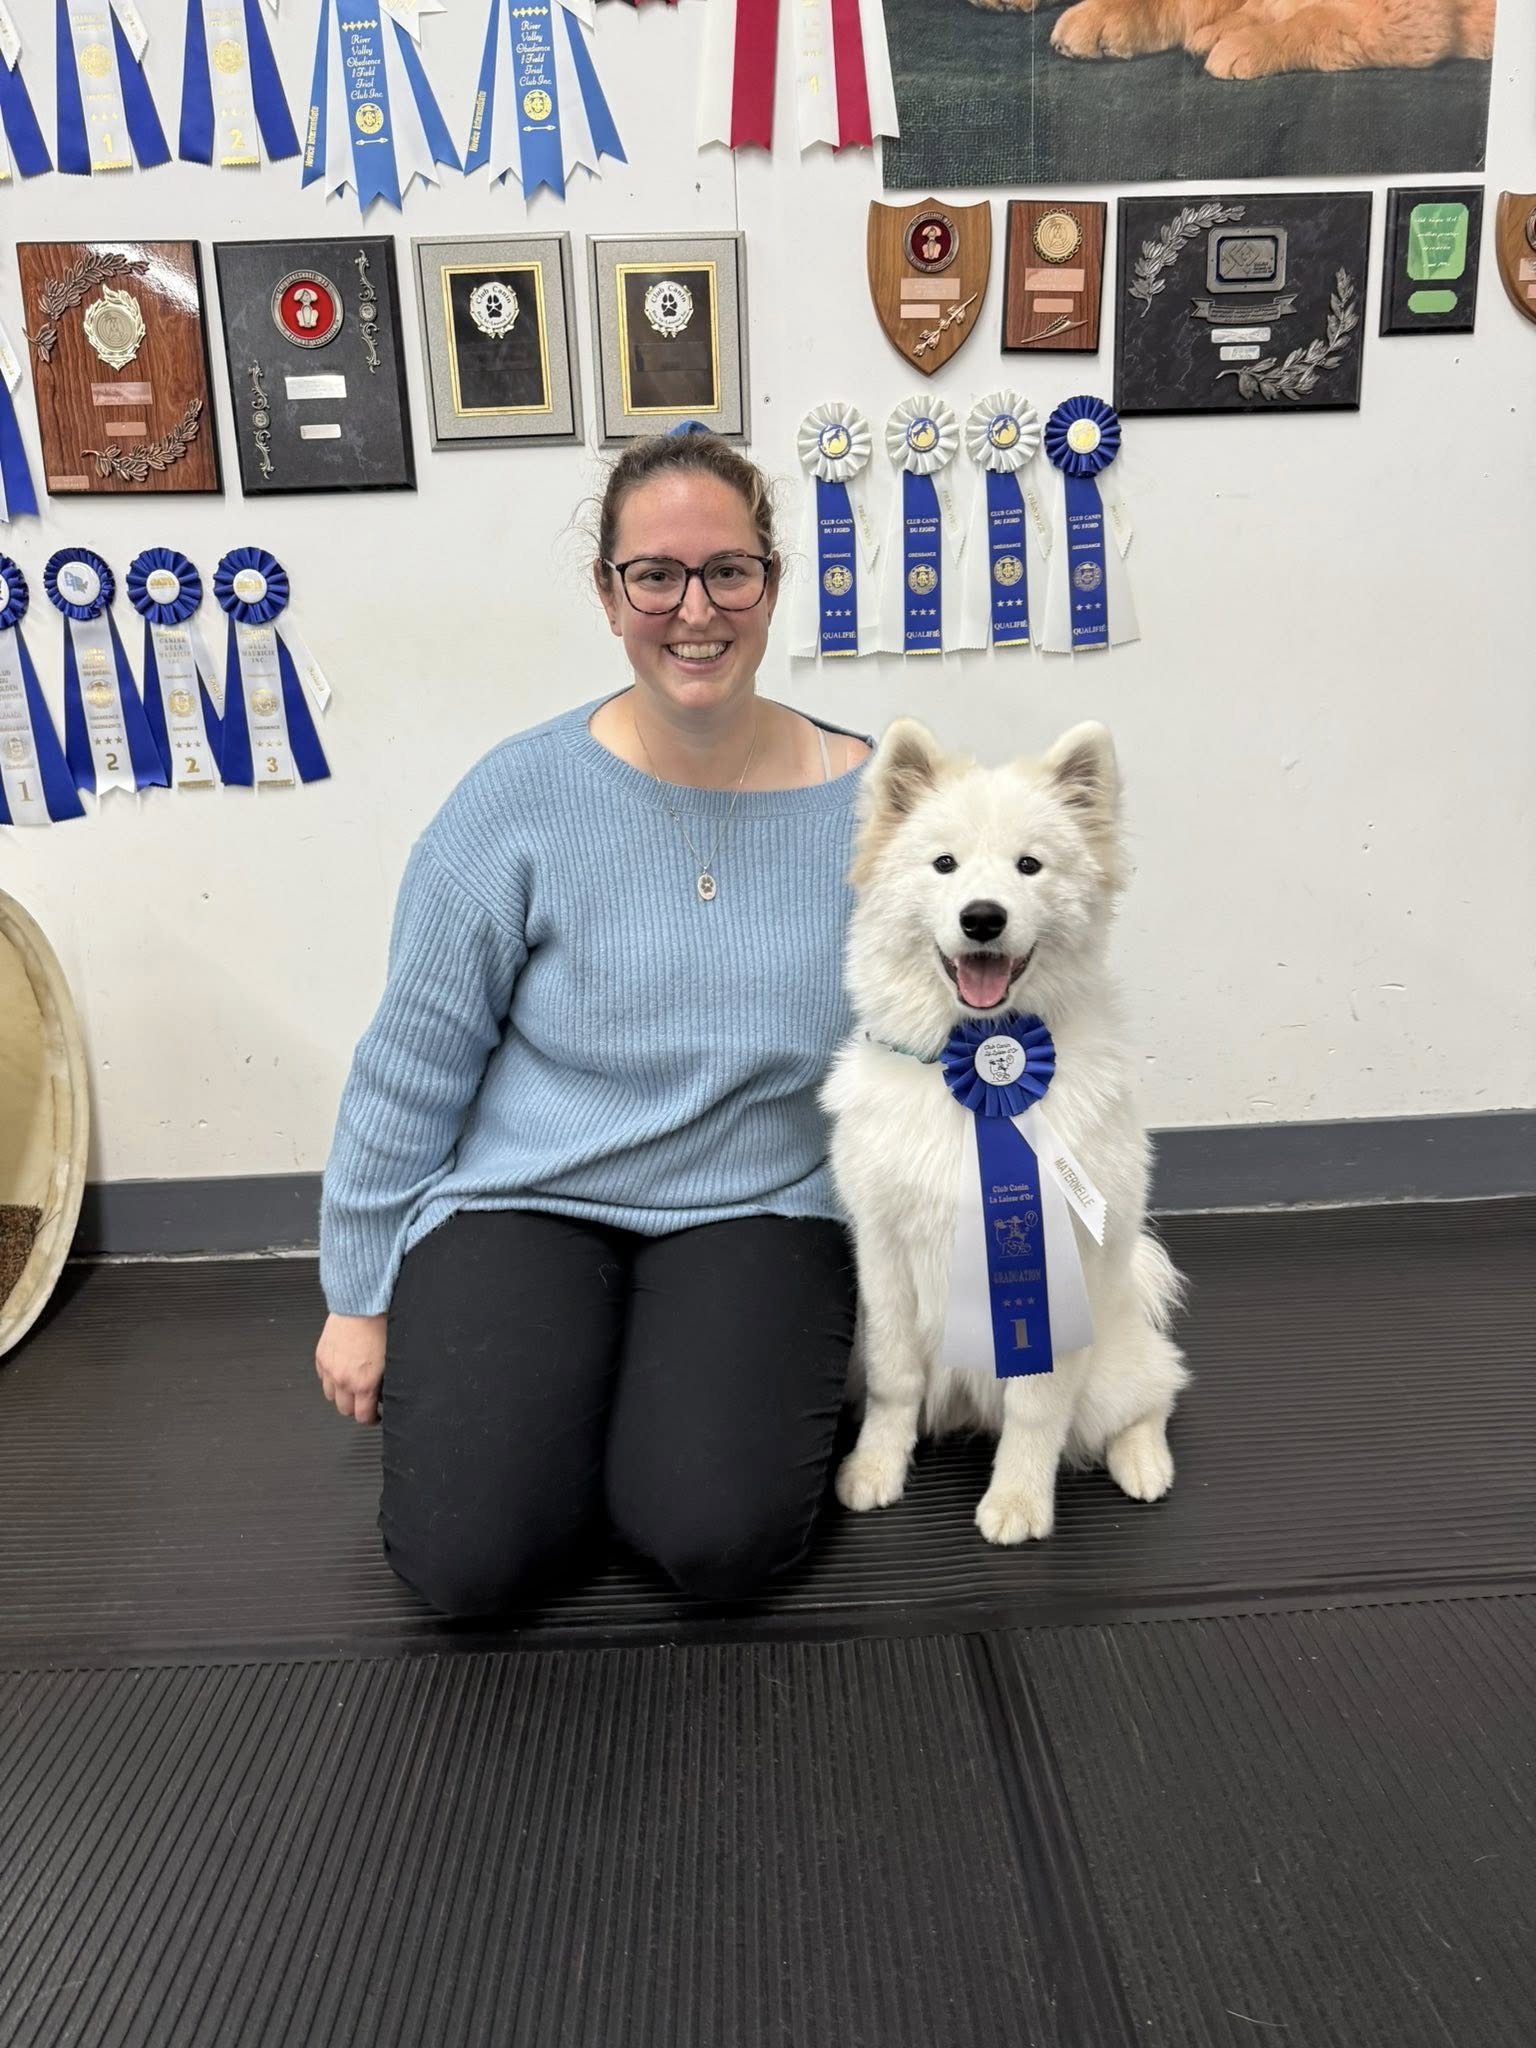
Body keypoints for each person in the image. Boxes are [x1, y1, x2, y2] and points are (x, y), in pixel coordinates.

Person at [314, 428, 872, 1613]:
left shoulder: (879, 805)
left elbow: (939, 1039)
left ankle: (650, 1409)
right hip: (530, 1194)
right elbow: (410, 1064)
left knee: (719, 1542)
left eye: (728, 570)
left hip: (759, 1201)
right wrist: (357, 1297)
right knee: (465, 1565)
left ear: (772, 581)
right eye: (655, 575)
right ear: (609, 594)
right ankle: (583, 1398)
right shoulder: (515, 798)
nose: (695, 609)